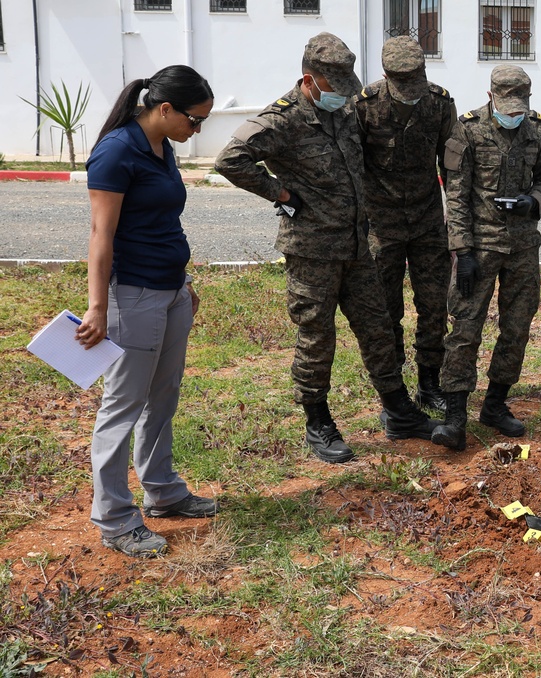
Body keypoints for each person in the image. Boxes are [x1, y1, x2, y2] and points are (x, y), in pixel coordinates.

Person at [215, 32, 440, 464]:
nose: (341, 96)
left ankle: (399, 412)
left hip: (357, 245)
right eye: (333, 89)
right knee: (317, 337)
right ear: (309, 80)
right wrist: (278, 193)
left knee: (377, 328)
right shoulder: (280, 120)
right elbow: (231, 160)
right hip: (313, 251)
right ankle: (318, 422)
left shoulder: (343, 113)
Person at [75, 65, 218, 558]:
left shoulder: (163, 146)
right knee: (123, 405)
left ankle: (162, 490)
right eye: (194, 120)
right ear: (164, 109)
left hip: (171, 291)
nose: (196, 130)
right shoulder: (116, 152)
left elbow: (161, 220)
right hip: (133, 296)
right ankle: (114, 518)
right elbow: (101, 236)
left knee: (164, 394)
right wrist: (98, 307)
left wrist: (184, 282)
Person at [430, 65, 541, 451]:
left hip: (522, 247)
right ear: (491, 99)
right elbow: (456, 194)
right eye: (508, 109)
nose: (514, 116)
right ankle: (454, 417)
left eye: (520, 109)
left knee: (517, 328)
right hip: (480, 247)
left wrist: (531, 201)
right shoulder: (467, 129)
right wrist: (462, 251)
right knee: (465, 329)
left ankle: (496, 405)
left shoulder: (537, 127)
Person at [354, 36, 457, 412]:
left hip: (428, 223)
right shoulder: (364, 106)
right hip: (382, 227)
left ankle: (431, 384)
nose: (411, 92)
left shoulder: (440, 102)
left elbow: (453, 167)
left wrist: (457, 227)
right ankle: (393, 394)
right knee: (385, 311)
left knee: (433, 307)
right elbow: (353, 166)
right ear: (385, 75)